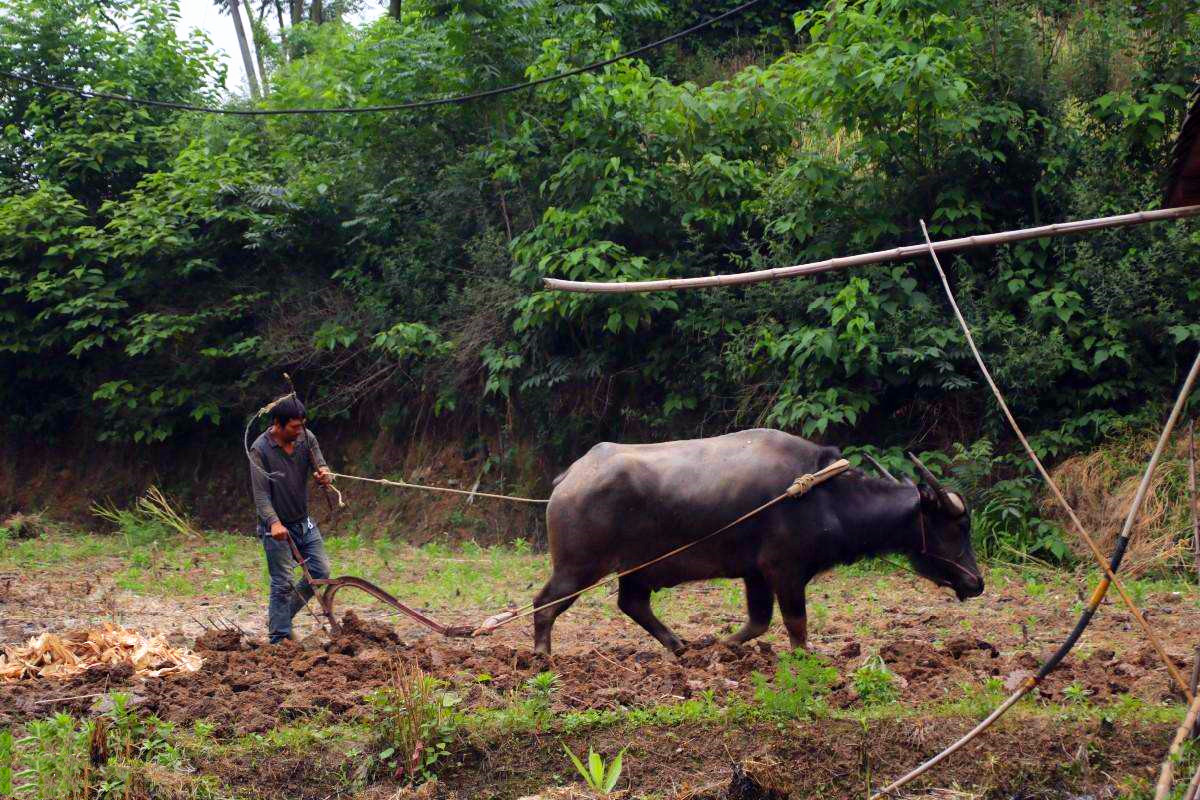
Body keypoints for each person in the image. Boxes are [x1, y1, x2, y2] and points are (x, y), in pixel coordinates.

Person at [248, 395, 334, 643]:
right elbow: (261, 495)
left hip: (302, 521)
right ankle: (279, 638)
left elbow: (322, 467)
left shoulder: (306, 438)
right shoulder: (260, 450)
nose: (300, 431)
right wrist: (274, 523)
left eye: (302, 425)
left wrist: (324, 476)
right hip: (274, 525)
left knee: (320, 569)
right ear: (278, 423)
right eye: (294, 427)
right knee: (282, 582)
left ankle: (281, 617)